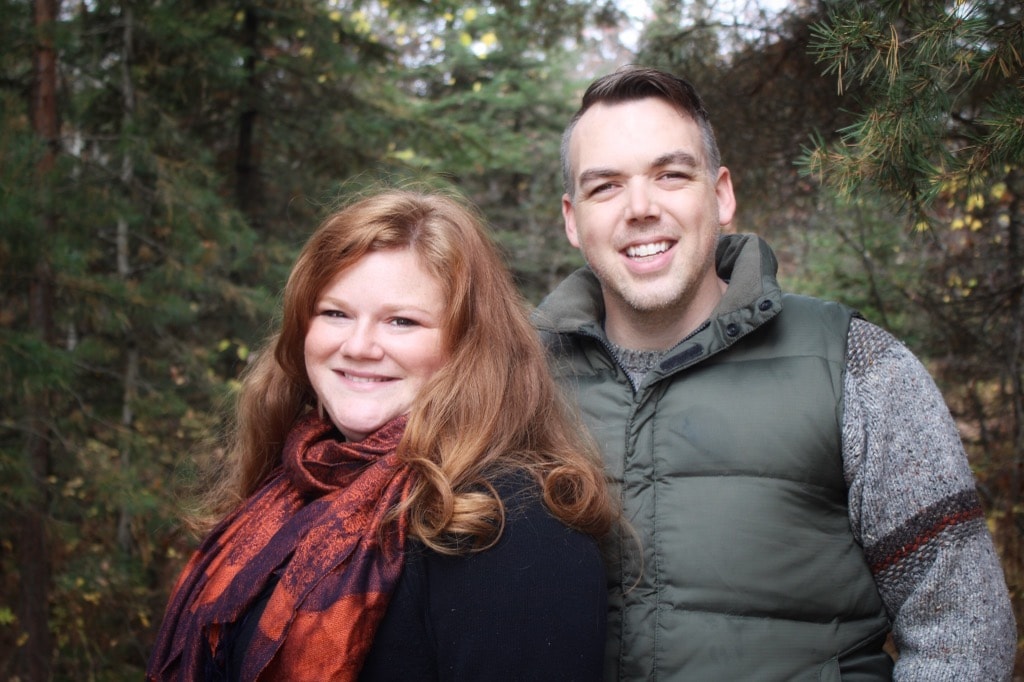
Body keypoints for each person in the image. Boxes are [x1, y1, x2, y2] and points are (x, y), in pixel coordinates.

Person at [532, 65, 1017, 680]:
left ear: (722, 194)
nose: (640, 208)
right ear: (573, 220)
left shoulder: (855, 364)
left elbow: (960, 629)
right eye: (605, 187)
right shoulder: (518, 380)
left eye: (671, 175)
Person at [147, 188, 618, 681]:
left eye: (401, 321)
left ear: (469, 347)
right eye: (335, 313)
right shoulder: (294, 486)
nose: (359, 346)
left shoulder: (510, 524)